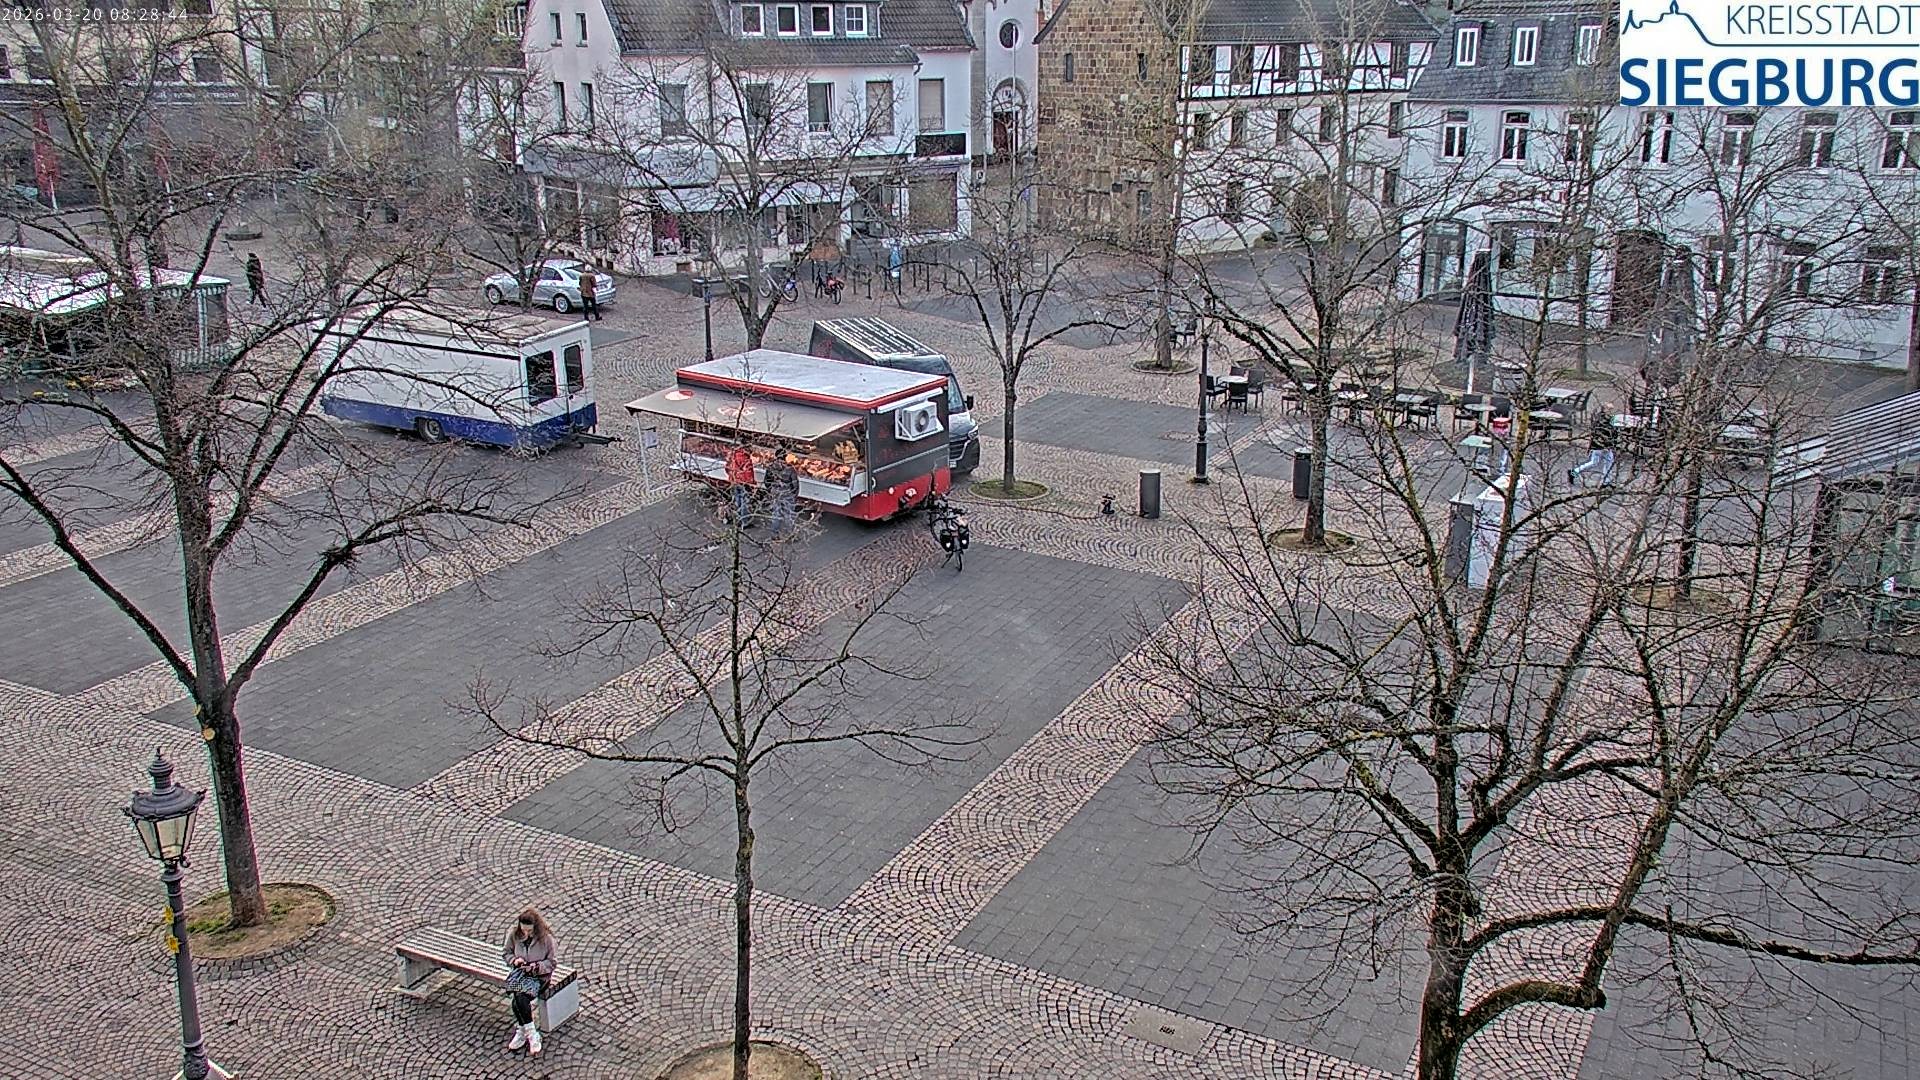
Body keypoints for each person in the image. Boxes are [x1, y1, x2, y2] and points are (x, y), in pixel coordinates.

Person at [502, 909, 557, 1057]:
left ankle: (528, 1033)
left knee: (519, 999)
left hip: (539, 977)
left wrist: (536, 967)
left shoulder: (546, 940)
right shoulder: (515, 935)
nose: (525, 933)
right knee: (518, 1001)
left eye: (529, 930)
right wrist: (515, 961)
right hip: (520, 974)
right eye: (523, 929)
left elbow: (551, 963)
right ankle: (527, 1031)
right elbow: (506, 953)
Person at [1568, 405, 1618, 487]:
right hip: (1602, 446)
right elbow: (1607, 433)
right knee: (1600, 462)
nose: (1611, 411)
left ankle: (1606, 481)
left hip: (1600, 445)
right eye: (1610, 409)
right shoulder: (1605, 420)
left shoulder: (1601, 418)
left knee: (1603, 461)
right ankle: (1574, 472)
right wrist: (1607, 445)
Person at [766, 452, 800, 537]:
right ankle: (790, 535)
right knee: (789, 514)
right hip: (787, 494)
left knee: (776, 514)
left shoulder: (770, 467)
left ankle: (774, 534)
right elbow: (795, 484)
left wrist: (771, 490)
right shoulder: (790, 469)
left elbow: (766, 481)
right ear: (785, 457)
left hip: (775, 493)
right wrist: (794, 495)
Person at [724, 444, 756, 525]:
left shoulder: (733, 455)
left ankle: (737, 519)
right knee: (744, 502)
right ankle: (744, 522)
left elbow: (727, 467)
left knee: (737, 501)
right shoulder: (746, 459)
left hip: (734, 481)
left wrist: (731, 476)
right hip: (743, 483)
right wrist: (752, 483)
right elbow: (749, 473)